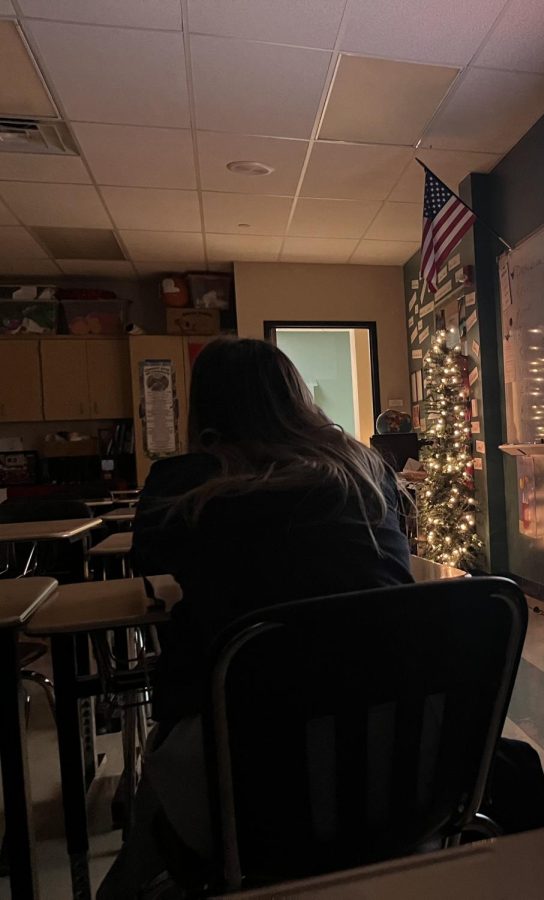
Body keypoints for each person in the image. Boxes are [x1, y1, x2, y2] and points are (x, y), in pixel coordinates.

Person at [100, 337, 413, 897]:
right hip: (407, 757)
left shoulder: (181, 482)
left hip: (247, 778)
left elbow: (149, 568)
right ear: (298, 398)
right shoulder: (367, 470)